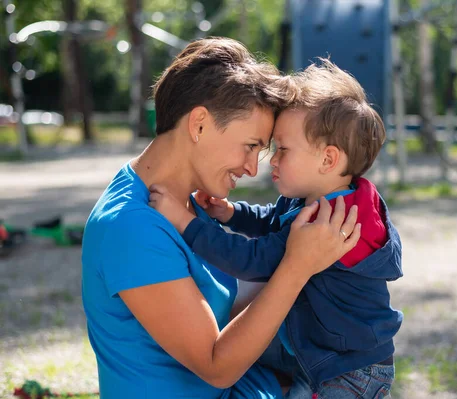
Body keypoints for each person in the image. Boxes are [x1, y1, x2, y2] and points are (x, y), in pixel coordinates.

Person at [81, 38, 361, 399]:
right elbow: (217, 366)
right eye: (250, 146)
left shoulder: (179, 201)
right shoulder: (131, 228)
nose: (250, 168)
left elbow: (224, 304)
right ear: (199, 124)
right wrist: (297, 267)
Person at [150, 59, 403, 398]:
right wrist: (232, 213)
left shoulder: (330, 220)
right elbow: (275, 220)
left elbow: (252, 260)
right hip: (322, 350)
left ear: (328, 160)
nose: (271, 161)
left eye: (282, 149)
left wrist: (184, 221)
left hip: (350, 370)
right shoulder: (321, 196)